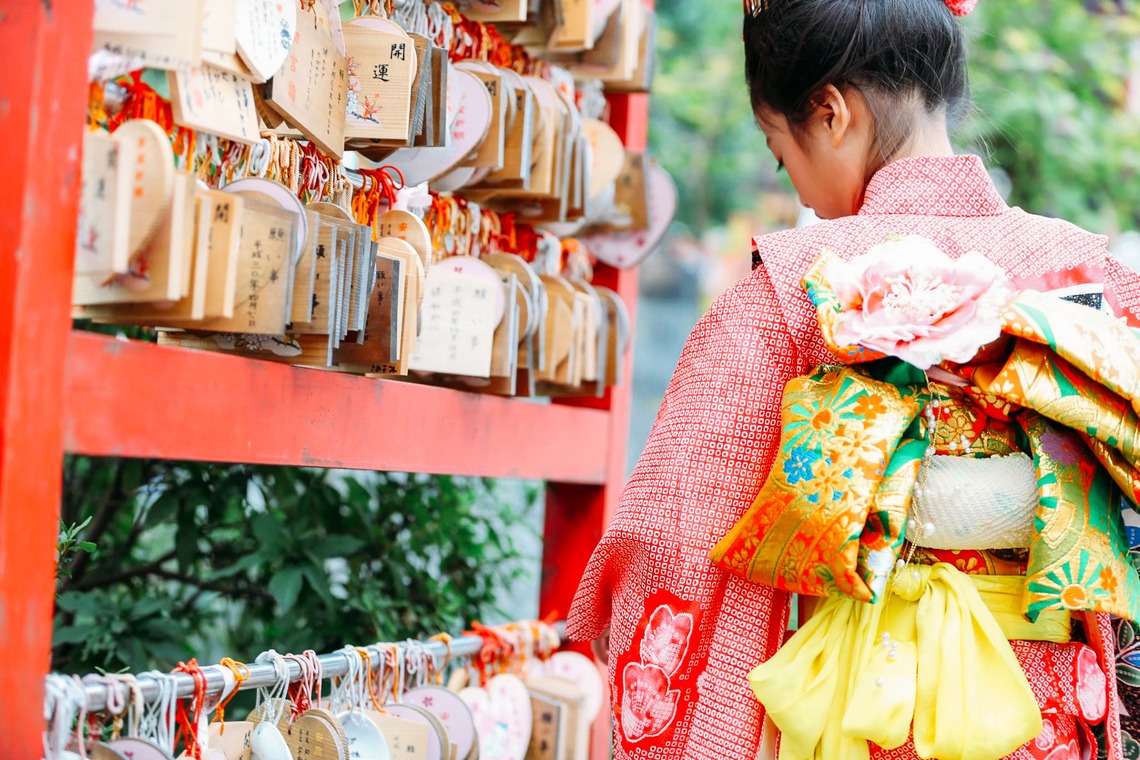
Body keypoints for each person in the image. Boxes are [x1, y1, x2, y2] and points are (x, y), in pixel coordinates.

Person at [566, 0, 1140, 758]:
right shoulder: (1090, 273)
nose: (798, 190)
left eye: (782, 152)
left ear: (831, 113)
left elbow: (672, 540)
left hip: (852, 714)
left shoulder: (787, 294)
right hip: (1050, 712)